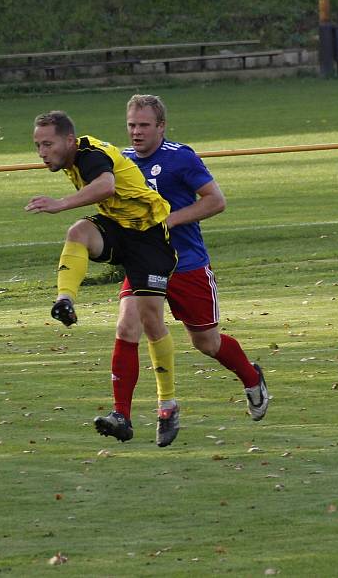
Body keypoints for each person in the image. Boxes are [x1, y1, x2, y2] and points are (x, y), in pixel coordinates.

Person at [92, 94, 269, 447]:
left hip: (186, 264)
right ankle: (122, 414)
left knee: (206, 342)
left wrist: (166, 221)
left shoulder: (180, 158)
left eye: (144, 125)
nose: (136, 132)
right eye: (131, 125)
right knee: (127, 326)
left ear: (161, 126)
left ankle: (252, 378)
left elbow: (216, 201)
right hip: (144, 265)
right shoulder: (120, 163)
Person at [26, 110, 181, 446]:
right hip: (119, 228)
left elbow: (106, 185)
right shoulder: (71, 160)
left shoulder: (88, 155)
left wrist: (61, 203)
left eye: (47, 144)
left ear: (68, 140)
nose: (42, 152)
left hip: (149, 237)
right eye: (38, 145)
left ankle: (167, 405)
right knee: (80, 232)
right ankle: (65, 301)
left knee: (151, 323)